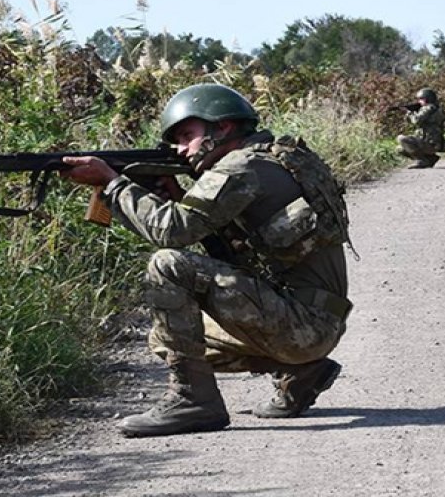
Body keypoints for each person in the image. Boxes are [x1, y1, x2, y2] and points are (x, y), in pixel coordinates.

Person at [60, 83, 352, 438]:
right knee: (163, 338)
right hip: (311, 323)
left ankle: (193, 402)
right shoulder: (267, 159)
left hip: (303, 326)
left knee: (167, 265)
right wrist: (178, 195)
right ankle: (304, 372)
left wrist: (112, 183)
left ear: (223, 127)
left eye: (187, 135)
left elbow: (174, 231)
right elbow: (241, 254)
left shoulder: (239, 167)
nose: (181, 150)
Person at [395, 87, 445, 169]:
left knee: (401, 139)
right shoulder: (436, 108)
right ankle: (430, 159)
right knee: (400, 149)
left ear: (427, 99)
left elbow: (416, 121)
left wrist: (409, 113)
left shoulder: (428, 108)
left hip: (430, 143)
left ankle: (421, 160)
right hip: (434, 143)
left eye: (421, 99)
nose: (419, 101)